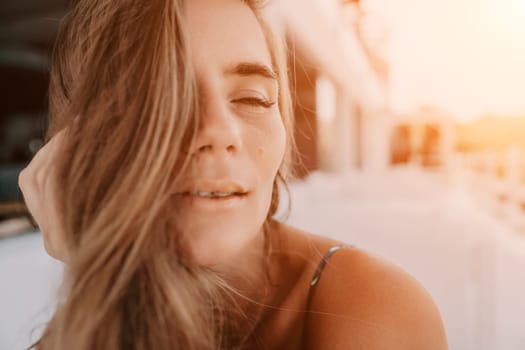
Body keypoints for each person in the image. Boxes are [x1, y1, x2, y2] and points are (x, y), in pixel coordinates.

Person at [18, 0, 448, 349]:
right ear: (81, 141)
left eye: (253, 98)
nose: (221, 132)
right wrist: (101, 273)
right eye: (169, 97)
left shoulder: (373, 308)